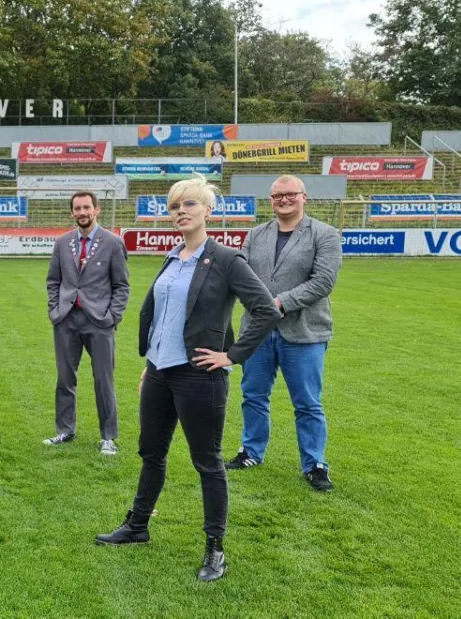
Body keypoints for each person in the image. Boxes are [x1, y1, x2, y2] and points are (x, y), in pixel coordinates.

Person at [94, 175, 281, 583]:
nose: (180, 212)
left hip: (200, 376)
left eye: (189, 205)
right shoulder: (174, 256)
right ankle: (138, 525)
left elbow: (266, 310)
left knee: (208, 463)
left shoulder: (227, 260)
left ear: (208, 211)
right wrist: (151, 363)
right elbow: (165, 317)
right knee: (151, 453)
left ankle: (215, 549)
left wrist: (231, 356)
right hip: (161, 373)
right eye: (175, 206)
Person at [226, 175, 342, 491]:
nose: (284, 199)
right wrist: (261, 306)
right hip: (257, 332)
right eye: (278, 195)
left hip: (304, 332)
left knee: (307, 402)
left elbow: (323, 282)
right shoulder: (255, 234)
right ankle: (250, 451)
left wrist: (277, 303)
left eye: (290, 194)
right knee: (253, 395)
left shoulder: (325, 234)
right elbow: (241, 277)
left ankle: (315, 464)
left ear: (304, 197)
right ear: (271, 199)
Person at [45, 190, 130, 453]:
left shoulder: (113, 242)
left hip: (99, 322)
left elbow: (122, 286)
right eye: (77, 208)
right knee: (64, 379)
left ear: (96, 210)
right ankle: (65, 431)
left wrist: (112, 317)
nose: (82, 212)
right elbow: (53, 281)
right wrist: (54, 311)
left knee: (103, 380)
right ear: (72, 212)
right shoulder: (62, 243)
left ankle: (108, 437)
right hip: (67, 320)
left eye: (86, 208)